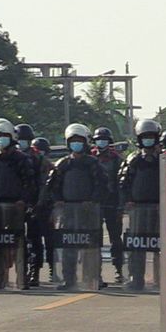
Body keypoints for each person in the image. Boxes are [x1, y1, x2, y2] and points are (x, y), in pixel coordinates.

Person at [46, 124, 106, 291]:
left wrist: (92, 200)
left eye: (79, 141)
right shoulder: (63, 164)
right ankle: (68, 279)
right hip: (68, 212)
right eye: (73, 141)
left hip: (88, 211)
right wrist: (58, 200)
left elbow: (101, 185)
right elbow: (53, 185)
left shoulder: (93, 163)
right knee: (68, 248)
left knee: (91, 247)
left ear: (86, 142)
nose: (76, 144)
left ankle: (93, 277)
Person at [0, 118, 35, 289]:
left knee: (18, 242)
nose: (1, 139)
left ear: (12, 137)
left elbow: (29, 183)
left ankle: (21, 277)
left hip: (15, 207)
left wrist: (23, 200)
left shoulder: (22, 159)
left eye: (4, 135)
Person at [118, 119, 162, 290]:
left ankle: (161, 280)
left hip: (160, 209)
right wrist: (127, 201)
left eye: (151, 137)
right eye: (145, 137)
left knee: (160, 246)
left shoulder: (163, 160)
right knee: (137, 246)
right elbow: (123, 182)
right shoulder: (133, 159)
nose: (148, 140)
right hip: (137, 209)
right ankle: (136, 278)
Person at [91, 127, 125, 285]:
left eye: (104, 139)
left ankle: (118, 270)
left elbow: (121, 183)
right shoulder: (90, 157)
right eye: (99, 139)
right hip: (95, 203)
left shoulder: (116, 159)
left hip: (112, 202)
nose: (101, 142)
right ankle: (95, 274)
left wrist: (120, 205)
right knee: (94, 240)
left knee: (115, 239)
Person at [16, 123, 44, 286]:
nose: (22, 142)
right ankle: (22, 272)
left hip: (33, 204)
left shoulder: (38, 159)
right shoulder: (13, 158)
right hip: (16, 205)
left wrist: (38, 203)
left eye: (25, 140)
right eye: (19, 139)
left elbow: (43, 183)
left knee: (34, 240)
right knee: (19, 240)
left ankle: (35, 272)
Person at [31, 137, 56, 282]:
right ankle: (34, 271)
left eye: (41, 151)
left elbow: (52, 188)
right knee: (34, 242)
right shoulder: (28, 164)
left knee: (50, 242)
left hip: (47, 207)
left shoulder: (50, 168)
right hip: (33, 207)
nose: (38, 153)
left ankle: (53, 269)